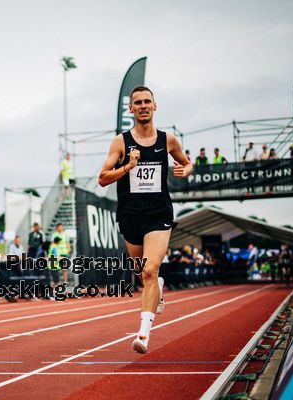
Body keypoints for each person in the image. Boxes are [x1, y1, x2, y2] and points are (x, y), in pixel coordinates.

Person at [97, 86, 193, 354]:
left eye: (147, 101)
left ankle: (143, 334)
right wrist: (127, 167)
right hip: (130, 215)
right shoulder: (121, 142)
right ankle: (157, 288)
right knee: (144, 274)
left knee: (150, 271)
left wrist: (185, 170)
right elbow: (102, 178)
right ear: (131, 109)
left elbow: (187, 163)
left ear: (155, 106)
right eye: (137, 102)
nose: (142, 106)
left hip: (159, 213)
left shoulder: (168, 140)